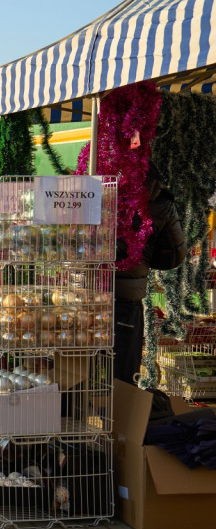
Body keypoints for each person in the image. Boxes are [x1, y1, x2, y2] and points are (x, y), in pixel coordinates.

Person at [113, 164, 186, 385]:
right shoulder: (159, 201)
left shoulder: (91, 181)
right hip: (127, 299)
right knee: (122, 374)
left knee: (80, 366)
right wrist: (143, 253)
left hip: (83, 294)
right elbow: (172, 256)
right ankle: (123, 417)